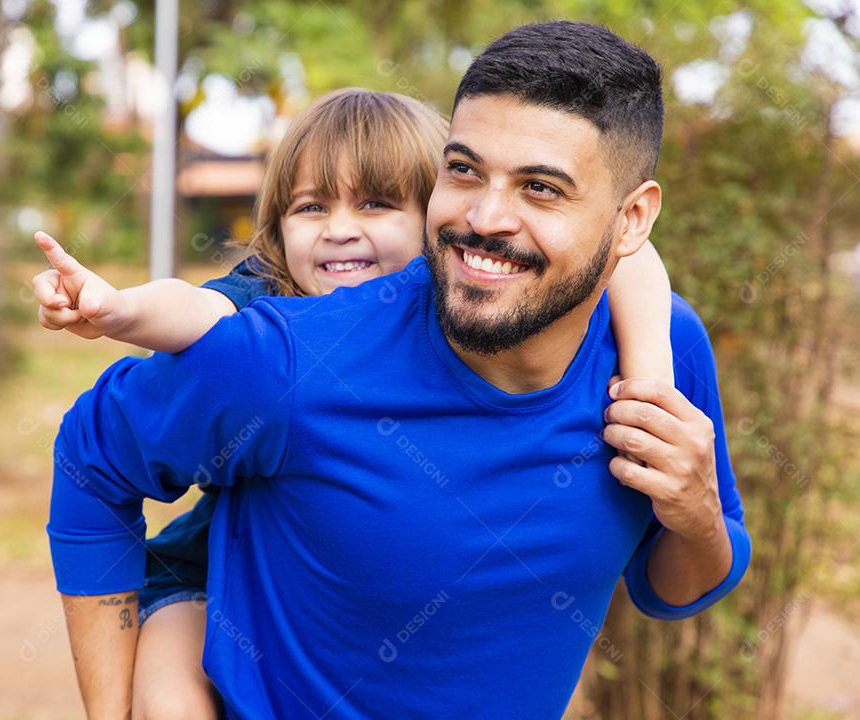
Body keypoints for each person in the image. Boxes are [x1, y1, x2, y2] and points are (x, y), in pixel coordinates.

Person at [44, 24, 738, 716]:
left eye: (541, 188)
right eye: (464, 171)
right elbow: (93, 454)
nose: (488, 217)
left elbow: (672, 588)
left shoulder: (661, 348)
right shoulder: (289, 356)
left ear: (631, 219)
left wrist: (698, 514)